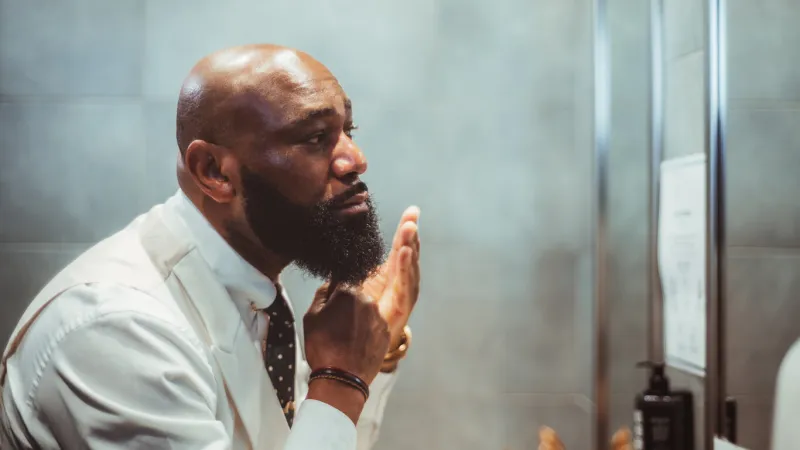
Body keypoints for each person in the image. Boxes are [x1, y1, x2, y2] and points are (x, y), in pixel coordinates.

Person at [0, 43, 421, 450]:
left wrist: (373, 353)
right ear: (215, 171)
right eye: (315, 137)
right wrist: (339, 380)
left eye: (348, 130)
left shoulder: (253, 286)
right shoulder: (116, 328)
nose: (355, 158)